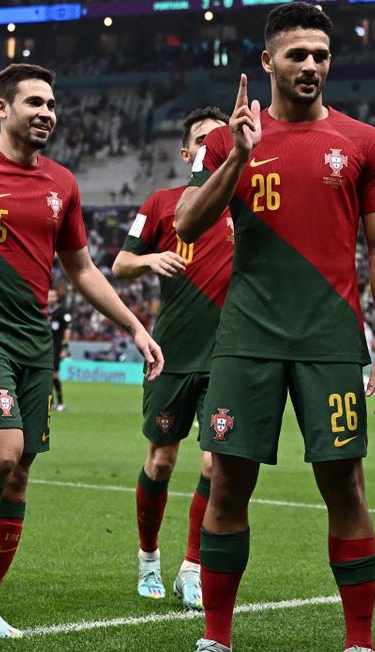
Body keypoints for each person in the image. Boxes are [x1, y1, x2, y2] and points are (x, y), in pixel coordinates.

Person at [163, 4, 375, 652]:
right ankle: (216, 643)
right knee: (227, 485)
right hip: (245, 335)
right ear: (267, 61)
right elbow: (185, 221)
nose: (311, 66)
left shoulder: (365, 142)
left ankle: (360, 647)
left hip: (331, 337)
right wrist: (238, 155)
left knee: (346, 486)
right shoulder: (226, 142)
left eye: (321, 55)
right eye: (297, 54)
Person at [0, 63, 164, 640]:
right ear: (2, 108)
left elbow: (82, 268)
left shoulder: (63, 184)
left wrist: (135, 326)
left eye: (52, 104)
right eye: (35, 102)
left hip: (33, 342)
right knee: (0, 454)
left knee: (19, 476)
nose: (47, 112)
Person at [112, 106, 233, 611]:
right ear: (188, 153)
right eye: (203, 140)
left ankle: (192, 567)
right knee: (161, 462)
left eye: (220, 138)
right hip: (172, 354)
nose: (212, 146)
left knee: (216, 461)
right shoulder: (161, 203)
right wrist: (148, 258)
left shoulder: (244, 204)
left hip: (226, 356)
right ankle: (147, 558)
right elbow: (119, 265)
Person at [48, 287, 71, 412]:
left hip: (56, 347)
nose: (50, 299)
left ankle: (60, 403)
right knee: (46, 376)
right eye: (49, 296)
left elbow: (67, 329)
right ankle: (50, 404)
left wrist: (65, 348)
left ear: (56, 298)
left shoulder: (61, 312)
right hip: (43, 348)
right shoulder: (43, 310)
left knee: (54, 375)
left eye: (53, 296)